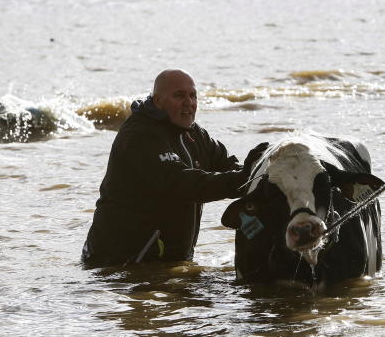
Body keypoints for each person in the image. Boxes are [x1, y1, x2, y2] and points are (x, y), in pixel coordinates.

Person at [82, 69, 258, 268]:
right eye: (179, 95)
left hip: (167, 264)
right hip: (117, 264)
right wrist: (241, 179)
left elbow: (228, 166)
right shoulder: (140, 135)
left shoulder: (196, 134)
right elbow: (180, 183)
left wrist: (259, 172)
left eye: (193, 95)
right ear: (158, 101)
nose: (189, 102)